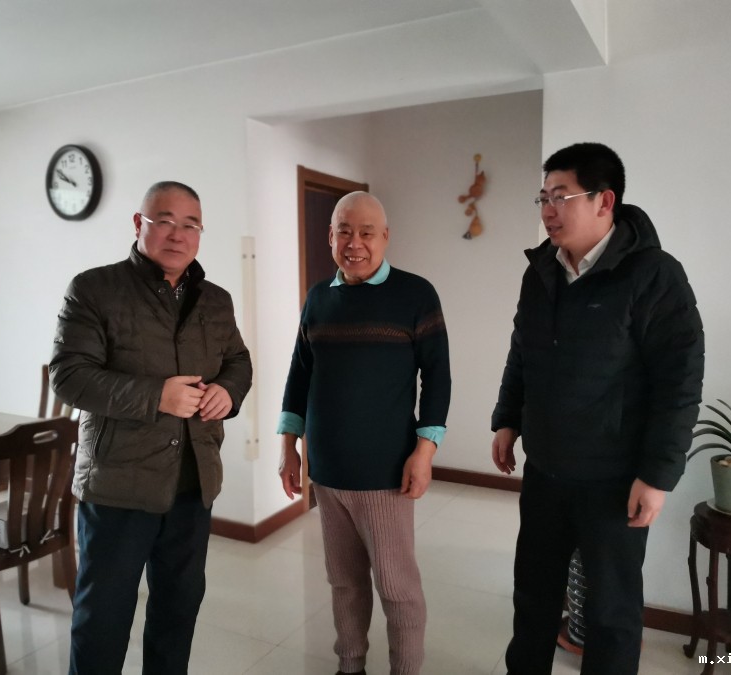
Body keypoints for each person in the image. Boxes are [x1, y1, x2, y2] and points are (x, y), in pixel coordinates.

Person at [490, 143, 705, 675]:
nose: (548, 209)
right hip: (546, 470)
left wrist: (657, 476)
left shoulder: (653, 275)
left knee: (610, 612)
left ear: (604, 201)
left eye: (561, 196)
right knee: (533, 597)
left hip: (614, 479)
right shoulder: (541, 270)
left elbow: (679, 381)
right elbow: (523, 350)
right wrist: (507, 418)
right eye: (543, 197)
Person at [50, 181, 252, 675]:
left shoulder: (216, 300)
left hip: (193, 483)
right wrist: (156, 395)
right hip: (118, 486)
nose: (178, 234)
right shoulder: (94, 289)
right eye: (165, 221)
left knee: (178, 611)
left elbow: (239, 362)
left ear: (200, 233)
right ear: (139, 224)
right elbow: (69, 376)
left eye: (190, 224)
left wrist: (228, 391)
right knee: (103, 618)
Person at [278, 191, 451, 675]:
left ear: (386, 237)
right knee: (344, 582)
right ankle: (349, 665)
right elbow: (299, 374)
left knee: (397, 588)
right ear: (330, 236)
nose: (355, 243)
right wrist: (289, 446)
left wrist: (425, 451)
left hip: (385, 472)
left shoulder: (415, 294)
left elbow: (438, 377)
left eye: (366, 233)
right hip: (327, 471)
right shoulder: (319, 298)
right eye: (344, 232)